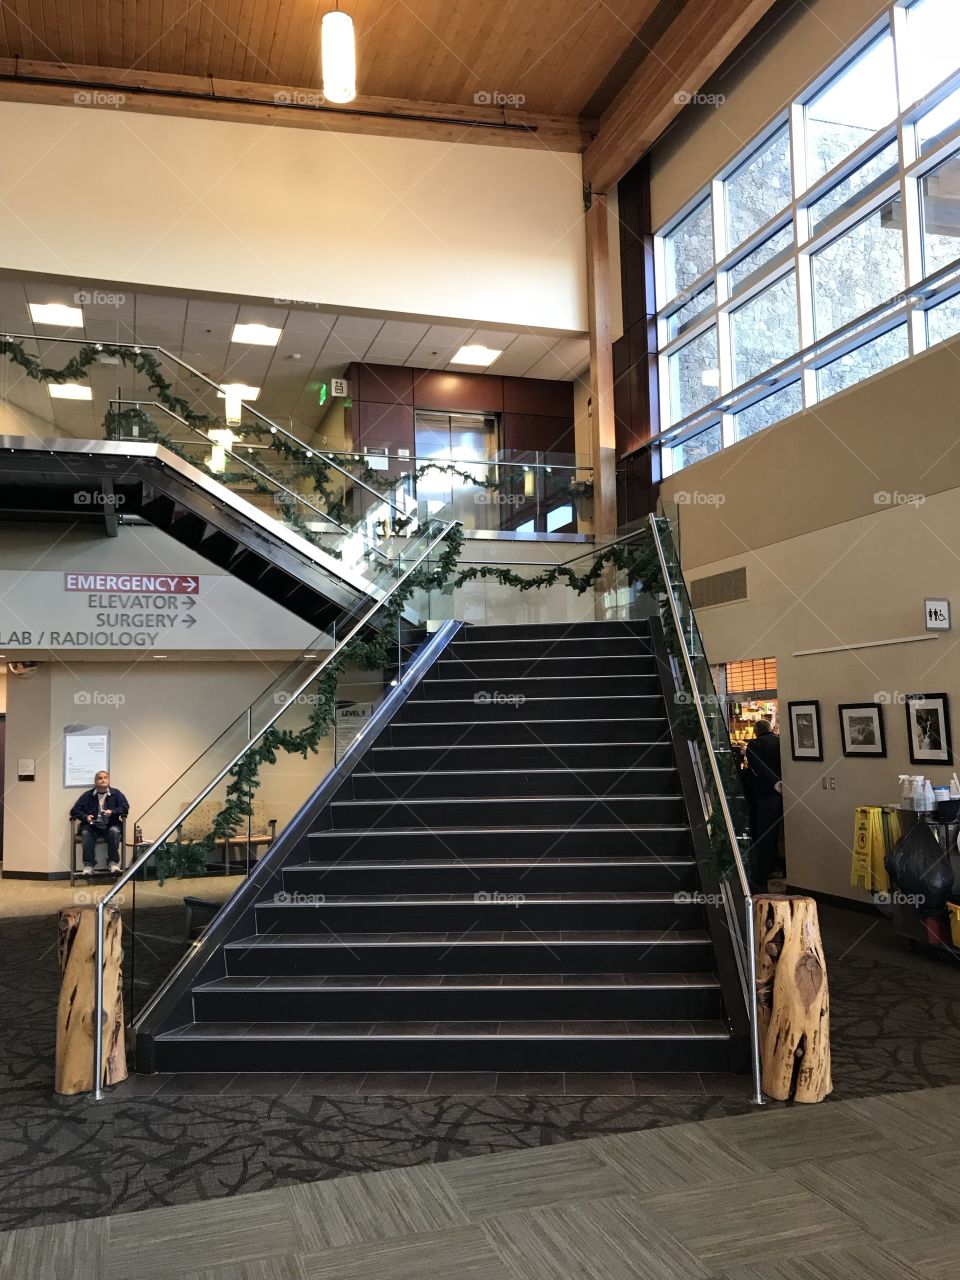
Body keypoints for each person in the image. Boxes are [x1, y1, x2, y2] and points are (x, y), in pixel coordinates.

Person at [745, 720, 782, 894]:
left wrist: (773, 782)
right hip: (786, 792)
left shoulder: (753, 745)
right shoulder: (781, 742)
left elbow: (757, 769)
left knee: (765, 834)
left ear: (756, 731)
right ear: (771, 729)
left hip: (765, 795)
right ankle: (779, 867)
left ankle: (761, 877)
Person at [70, 770, 129, 876]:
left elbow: (125, 807)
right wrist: (85, 817)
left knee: (114, 831)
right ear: (95, 781)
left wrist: (113, 812)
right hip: (93, 827)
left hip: (111, 825)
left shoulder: (116, 793)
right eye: (100, 778)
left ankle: (113, 863)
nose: (103, 780)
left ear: (109, 780)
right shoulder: (87, 795)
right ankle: (88, 865)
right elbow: (74, 810)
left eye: (105, 777)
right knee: (85, 833)